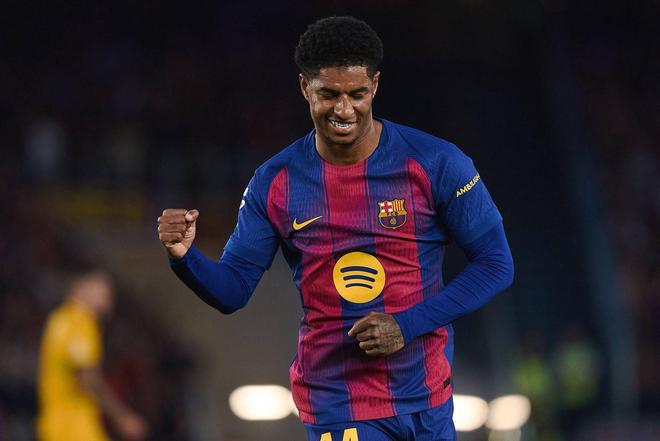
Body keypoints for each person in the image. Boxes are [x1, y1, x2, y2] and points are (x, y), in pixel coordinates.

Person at [157, 16, 514, 441]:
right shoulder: (275, 182)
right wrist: (184, 257)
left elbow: (496, 264)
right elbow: (232, 290)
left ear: (375, 86)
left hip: (428, 399)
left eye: (356, 94)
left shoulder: (438, 163)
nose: (344, 110)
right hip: (339, 403)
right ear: (305, 87)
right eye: (328, 94)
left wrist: (407, 325)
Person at [37, 269, 148, 441]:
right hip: (72, 426)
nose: (108, 293)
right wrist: (122, 418)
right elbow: (87, 378)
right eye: (101, 287)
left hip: (56, 422)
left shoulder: (59, 318)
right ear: (80, 288)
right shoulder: (80, 322)